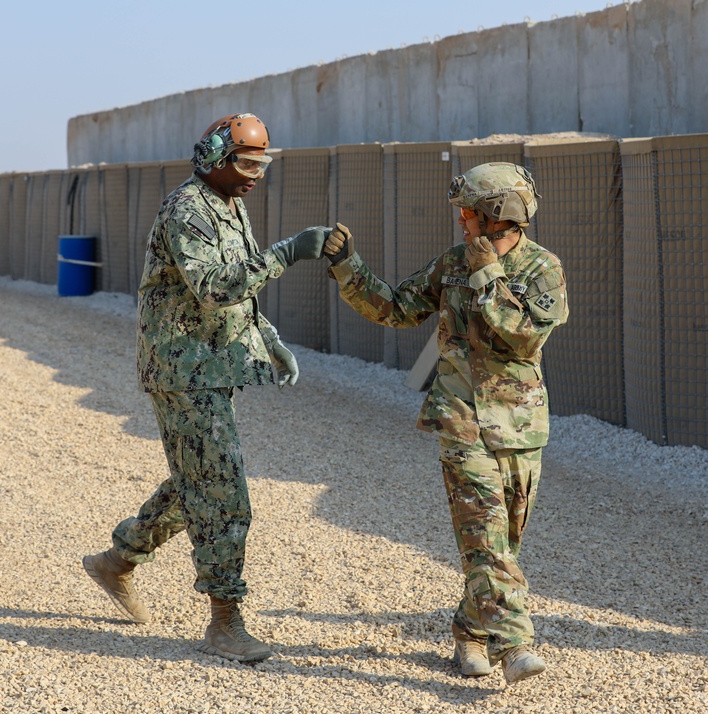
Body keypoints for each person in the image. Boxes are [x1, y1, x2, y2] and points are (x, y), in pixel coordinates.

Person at [83, 113, 330, 663]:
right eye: (245, 163)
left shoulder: (229, 204)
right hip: (181, 369)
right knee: (223, 493)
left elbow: (239, 282)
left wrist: (267, 336)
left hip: (210, 364)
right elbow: (215, 287)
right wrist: (290, 252)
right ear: (213, 158)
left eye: (262, 164)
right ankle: (225, 623)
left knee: (197, 479)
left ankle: (116, 561)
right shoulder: (187, 210)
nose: (255, 175)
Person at [322, 162, 568, 687]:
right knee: (483, 539)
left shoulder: (543, 270)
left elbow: (522, 338)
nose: (460, 220)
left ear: (496, 213)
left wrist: (487, 276)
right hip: (461, 421)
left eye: (468, 211)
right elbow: (395, 308)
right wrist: (348, 267)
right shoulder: (452, 264)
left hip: (520, 427)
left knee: (504, 544)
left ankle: (468, 630)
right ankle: (515, 643)